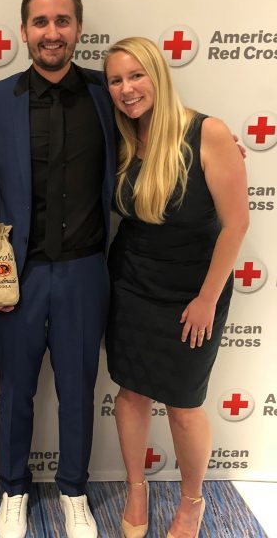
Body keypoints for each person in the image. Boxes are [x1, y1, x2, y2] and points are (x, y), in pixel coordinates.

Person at [0, 0, 118, 538]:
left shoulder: (107, 95)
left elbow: (155, 141)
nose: (52, 32)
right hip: (17, 272)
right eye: (41, 22)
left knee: (80, 387)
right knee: (16, 388)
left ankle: (74, 491)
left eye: (63, 21)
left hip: (86, 271)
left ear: (78, 28)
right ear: (24, 31)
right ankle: (12, 489)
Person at [103, 37, 248, 538]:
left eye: (136, 75)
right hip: (131, 283)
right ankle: (136, 488)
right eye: (116, 80)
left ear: (158, 75)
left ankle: (192, 502)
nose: (127, 89)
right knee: (131, 392)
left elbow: (235, 226)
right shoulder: (122, 137)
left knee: (184, 404)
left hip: (193, 291)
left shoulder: (208, 132)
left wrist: (207, 299)